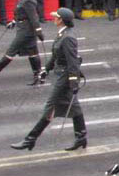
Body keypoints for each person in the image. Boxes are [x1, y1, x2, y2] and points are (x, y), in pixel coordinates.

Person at [11, 8, 87, 151]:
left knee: (50, 106)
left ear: (61, 20)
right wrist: (46, 69)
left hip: (64, 77)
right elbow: (56, 55)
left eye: (56, 17)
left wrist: (73, 82)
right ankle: (81, 136)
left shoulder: (68, 37)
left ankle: (30, 139)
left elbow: (72, 62)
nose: (54, 19)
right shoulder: (62, 34)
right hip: (60, 73)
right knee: (74, 106)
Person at [0, 0, 44, 85]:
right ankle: (38, 75)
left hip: (25, 31)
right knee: (32, 52)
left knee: (11, 51)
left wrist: (39, 31)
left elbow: (33, 17)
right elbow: (21, 13)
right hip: (25, 28)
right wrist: (14, 22)